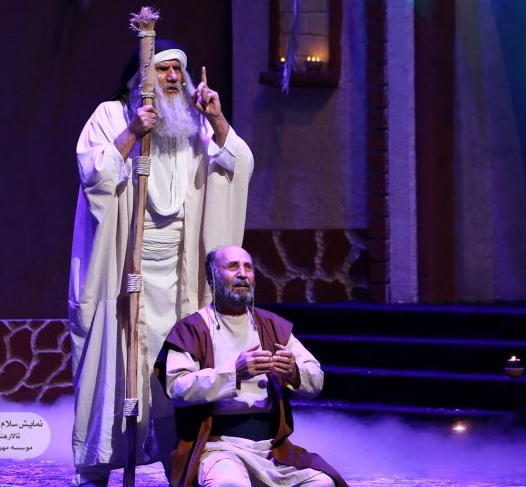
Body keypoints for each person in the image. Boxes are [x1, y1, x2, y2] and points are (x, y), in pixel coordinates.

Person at [68, 40, 254, 487]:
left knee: (177, 372)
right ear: (140, 79)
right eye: (163, 69)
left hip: (180, 278)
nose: (172, 77)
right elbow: (94, 175)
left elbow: (238, 165)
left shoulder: (194, 124)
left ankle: (182, 466)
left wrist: (217, 119)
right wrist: (133, 131)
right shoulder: (111, 115)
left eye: (177, 71)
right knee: (114, 374)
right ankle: (96, 471)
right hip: (123, 275)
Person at [155, 245, 347, 487]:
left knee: (322, 483)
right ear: (212, 278)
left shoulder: (272, 326)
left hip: (270, 449)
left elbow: (316, 377)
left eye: (248, 267)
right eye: (232, 267)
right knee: (229, 483)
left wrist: (294, 372)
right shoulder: (193, 329)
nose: (242, 274)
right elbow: (177, 388)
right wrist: (234, 373)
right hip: (217, 447)